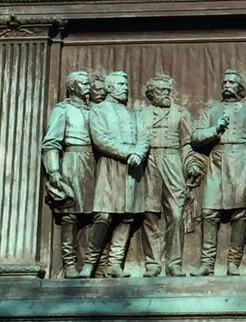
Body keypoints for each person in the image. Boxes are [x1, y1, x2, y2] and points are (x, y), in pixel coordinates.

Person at [190, 68, 246, 275]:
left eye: (232, 82)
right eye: (224, 82)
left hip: (241, 162)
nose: (227, 85)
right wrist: (215, 130)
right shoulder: (210, 112)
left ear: (240, 88)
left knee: (240, 213)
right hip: (218, 162)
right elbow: (196, 137)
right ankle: (207, 264)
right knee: (209, 212)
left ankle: (233, 263)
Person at [81, 71, 149, 278]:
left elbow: (144, 136)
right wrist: (128, 152)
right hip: (110, 166)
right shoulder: (98, 110)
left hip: (133, 169)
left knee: (127, 216)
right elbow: (100, 139)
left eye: (125, 85)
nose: (125, 88)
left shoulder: (133, 113)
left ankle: (114, 264)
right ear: (109, 87)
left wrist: (138, 151)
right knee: (104, 215)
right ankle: (89, 263)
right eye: (120, 84)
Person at [138, 74, 200, 277]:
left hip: (173, 161)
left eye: (168, 90)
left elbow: (187, 144)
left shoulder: (180, 113)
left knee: (176, 213)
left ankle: (174, 262)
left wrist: (191, 164)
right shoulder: (141, 115)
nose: (166, 94)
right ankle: (152, 263)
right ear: (151, 94)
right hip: (150, 162)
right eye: (161, 90)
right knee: (150, 214)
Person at [41, 70, 96, 277]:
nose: (87, 86)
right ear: (72, 87)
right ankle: (69, 264)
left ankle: (90, 262)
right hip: (72, 161)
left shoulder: (94, 111)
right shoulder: (62, 110)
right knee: (70, 214)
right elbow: (51, 142)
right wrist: (54, 171)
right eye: (83, 83)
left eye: (88, 83)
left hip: (93, 163)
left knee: (91, 214)